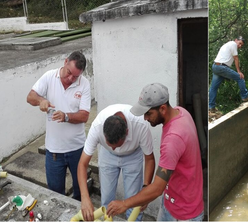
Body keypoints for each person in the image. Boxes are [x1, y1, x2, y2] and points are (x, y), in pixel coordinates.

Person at [106, 83, 204, 221]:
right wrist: (146, 193)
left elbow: (157, 188)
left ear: (162, 108)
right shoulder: (180, 112)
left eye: (148, 113)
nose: (145, 118)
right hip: (171, 201)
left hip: (183, 214)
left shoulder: (173, 139)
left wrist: (124, 204)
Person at [26, 51, 90, 201]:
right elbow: (30, 97)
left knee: (81, 191)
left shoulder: (84, 83)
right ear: (65, 61)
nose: (70, 79)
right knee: (55, 194)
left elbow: (84, 115)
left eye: (75, 76)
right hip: (54, 151)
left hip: (77, 149)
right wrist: (41, 100)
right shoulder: (49, 77)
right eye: (69, 73)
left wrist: (66, 116)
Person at [77, 104, 155, 221]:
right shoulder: (97, 126)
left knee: (134, 199)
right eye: (111, 145)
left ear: (127, 132)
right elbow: (82, 164)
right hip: (107, 156)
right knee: (107, 198)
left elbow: (150, 159)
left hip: (132, 155)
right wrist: (85, 197)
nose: (115, 149)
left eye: (117, 146)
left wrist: (146, 187)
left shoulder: (140, 125)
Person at [208, 36, 248, 112]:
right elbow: (236, 58)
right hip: (221, 67)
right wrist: (239, 71)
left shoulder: (227, 44)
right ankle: (245, 96)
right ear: (236, 40)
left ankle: (211, 107)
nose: (240, 46)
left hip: (215, 66)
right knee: (240, 77)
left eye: (241, 45)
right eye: (240, 43)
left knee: (213, 88)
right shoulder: (233, 44)